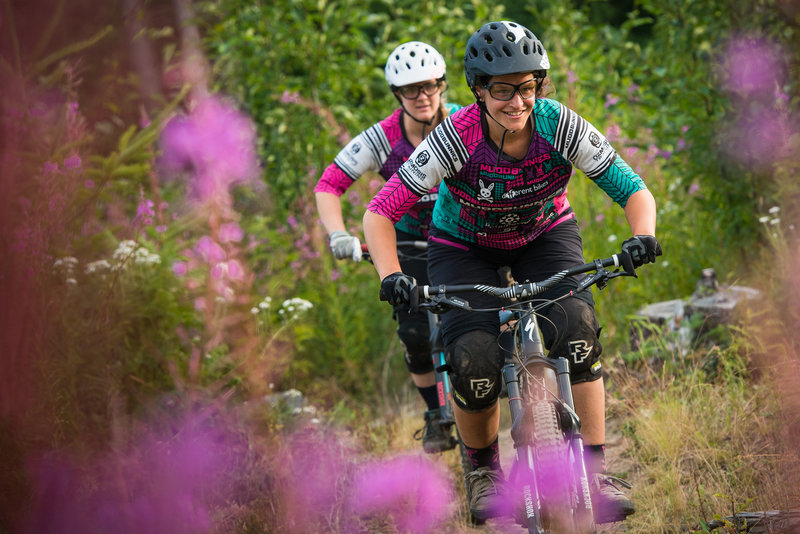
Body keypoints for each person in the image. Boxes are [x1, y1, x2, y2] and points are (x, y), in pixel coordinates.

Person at [363, 21, 661, 524]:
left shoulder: (559, 124)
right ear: (478, 91)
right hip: (464, 245)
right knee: (473, 358)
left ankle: (594, 468)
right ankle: (483, 471)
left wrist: (642, 236)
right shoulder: (454, 139)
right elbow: (380, 212)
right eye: (502, 90)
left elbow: (632, 188)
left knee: (576, 328)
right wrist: (392, 275)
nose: (517, 102)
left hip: (545, 234)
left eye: (527, 88)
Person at [314, 41, 461, 453]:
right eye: (411, 90)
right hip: (409, 244)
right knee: (414, 332)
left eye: (429, 86)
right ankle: (435, 414)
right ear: (398, 95)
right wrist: (338, 233)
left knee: (491, 312)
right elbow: (329, 184)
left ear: (442, 86)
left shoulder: (464, 124)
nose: (422, 97)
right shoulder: (382, 139)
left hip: (464, 239)